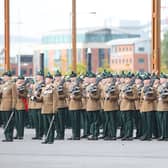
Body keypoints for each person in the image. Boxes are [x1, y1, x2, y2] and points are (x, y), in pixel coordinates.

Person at [36, 72, 57, 144]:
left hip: (50, 109)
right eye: (46, 78)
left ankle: (51, 139)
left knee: (50, 125)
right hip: (44, 109)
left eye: (48, 78)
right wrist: (35, 98)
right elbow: (41, 99)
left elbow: (55, 100)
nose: (46, 80)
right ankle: (47, 138)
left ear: (51, 80)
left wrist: (54, 110)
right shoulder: (44, 88)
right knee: (45, 125)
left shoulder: (53, 88)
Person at [119, 72, 137, 141]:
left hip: (129, 106)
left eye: (128, 78)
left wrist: (126, 96)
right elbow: (120, 95)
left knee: (129, 121)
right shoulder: (123, 86)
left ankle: (129, 135)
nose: (126, 80)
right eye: (126, 78)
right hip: (123, 106)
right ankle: (126, 134)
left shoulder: (133, 87)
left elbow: (135, 97)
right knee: (124, 121)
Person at [140, 74, 157, 141]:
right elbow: (141, 99)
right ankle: (145, 134)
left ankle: (149, 135)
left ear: (149, 81)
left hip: (150, 107)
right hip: (143, 108)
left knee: (149, 122)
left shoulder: (152, 88)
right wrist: (141, 108)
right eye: (145, 80)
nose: (146, 81)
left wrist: (147, 98)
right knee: (144, 123)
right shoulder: (143, 88)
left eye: (147, 80)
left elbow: (154, 97)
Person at [1, 71, 16, 142]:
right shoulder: (2, 85)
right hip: (2, 105)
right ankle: (6, 136)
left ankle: (10, 136)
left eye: (5, 76)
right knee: (4, 121)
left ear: (8, 77)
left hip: (9, 105)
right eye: (3, 76)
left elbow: (14, 97)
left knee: (9, 121)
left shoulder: (12, 85)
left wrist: (13, 106)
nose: (3, 77)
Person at [103, 73, 119, 140]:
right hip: (106, 106)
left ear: (112, 79)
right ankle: (108, 134)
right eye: (107, 78)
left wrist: (110, 97)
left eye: (109, 78)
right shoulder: (105, 86)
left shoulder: (114, 87)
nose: (108, 79)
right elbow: (102, 95)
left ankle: (113, 135)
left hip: (112, 106)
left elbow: (116, 96)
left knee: (112, 121)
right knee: (108, 121)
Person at [30, 70, 45, 140]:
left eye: (39, 76)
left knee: (40, 121)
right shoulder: (34, 84)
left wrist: (36, 94)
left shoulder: (43, 84)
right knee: (35, 121)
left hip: (40, 104)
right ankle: (37, 134)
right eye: (37, 76)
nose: (37, 77)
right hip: (34, 104)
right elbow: (32, 93)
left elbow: (41, 94)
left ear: (42, 77)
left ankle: (40, 134)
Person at [68, 72, 82, 140]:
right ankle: (73, 134)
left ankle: (77, 135)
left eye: (73, 78)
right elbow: (67, 94)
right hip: (71, 105)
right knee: (73, 121)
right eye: (71, 78)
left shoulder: (78, 85)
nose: (72, 79)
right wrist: (69, 97)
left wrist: (74, 97)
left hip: (77, 105)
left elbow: (80, 95)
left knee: (77, 121)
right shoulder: (69, 85)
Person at [86, 72, 101, 140]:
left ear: (95, 79)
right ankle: (92, 133)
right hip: (89, 106)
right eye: (90, 78)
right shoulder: (88, 86)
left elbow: (97, 96)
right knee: (91, 121)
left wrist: (90, 95)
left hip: (95, 106)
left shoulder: (97, 86)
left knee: (95, 121)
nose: (91, 79)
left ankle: (95, 134)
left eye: (92, 78)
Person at [54, 70, 67, 140]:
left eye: (58, 76)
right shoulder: (53, 84)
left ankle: (61, 135)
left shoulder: (64, 84)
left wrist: (59, 96)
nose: (57, 78)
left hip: (61, 105)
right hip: (55, 105)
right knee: (56, 121)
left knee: (61, 121)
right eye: (56, 76)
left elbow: (66, 94)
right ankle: (58, 133)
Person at [14, 74, 28, 140]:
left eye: (21, 79)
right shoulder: (15, 86)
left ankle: (20, 134)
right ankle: (17, 133)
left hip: (21, 105)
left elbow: (25, 95)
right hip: (15, 105)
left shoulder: (24, 87)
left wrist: (18, 93)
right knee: (16, 121)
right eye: (19, 79)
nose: (20, 80)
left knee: (21, 121)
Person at [157, 73, 168, 140]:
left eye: (162, 79)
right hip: (160, 107)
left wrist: (164, 99)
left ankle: (166, 135)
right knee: (161, 122)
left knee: (165, 122)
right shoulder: (159, 87)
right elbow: (157, 95)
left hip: (166, 107)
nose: (160, 80)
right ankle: (162, 135)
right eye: (160, 79)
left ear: (165, 79)